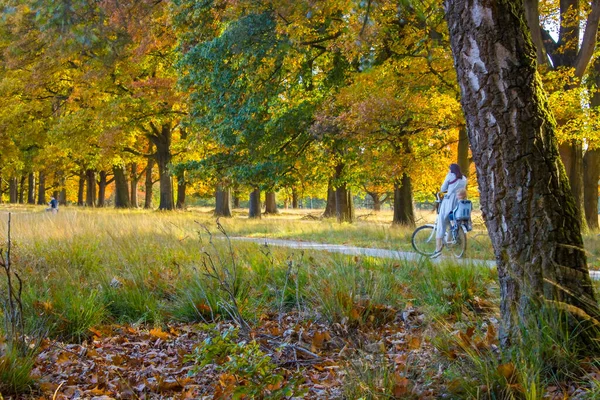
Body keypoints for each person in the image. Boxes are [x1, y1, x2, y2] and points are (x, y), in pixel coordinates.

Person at [432, 164, 467, 258]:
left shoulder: (450, 176)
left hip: (449, 202)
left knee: (441, 224)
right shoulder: (464, 178)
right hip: (459, 202)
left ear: (451, 170)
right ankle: (450, 243)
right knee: (453, 223)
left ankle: (438, 249)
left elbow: (443, 189)